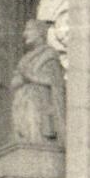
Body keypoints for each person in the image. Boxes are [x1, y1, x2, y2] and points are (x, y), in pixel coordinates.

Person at [11, 17, 66, 145]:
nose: (25, 34)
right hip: (22, 101)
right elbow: (14, 82)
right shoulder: (25, 59)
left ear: (40, 32)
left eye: (29, 30)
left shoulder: (49, 54)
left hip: (40, 102)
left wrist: (30, 77)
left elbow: (55, 81)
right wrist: (22, 79)